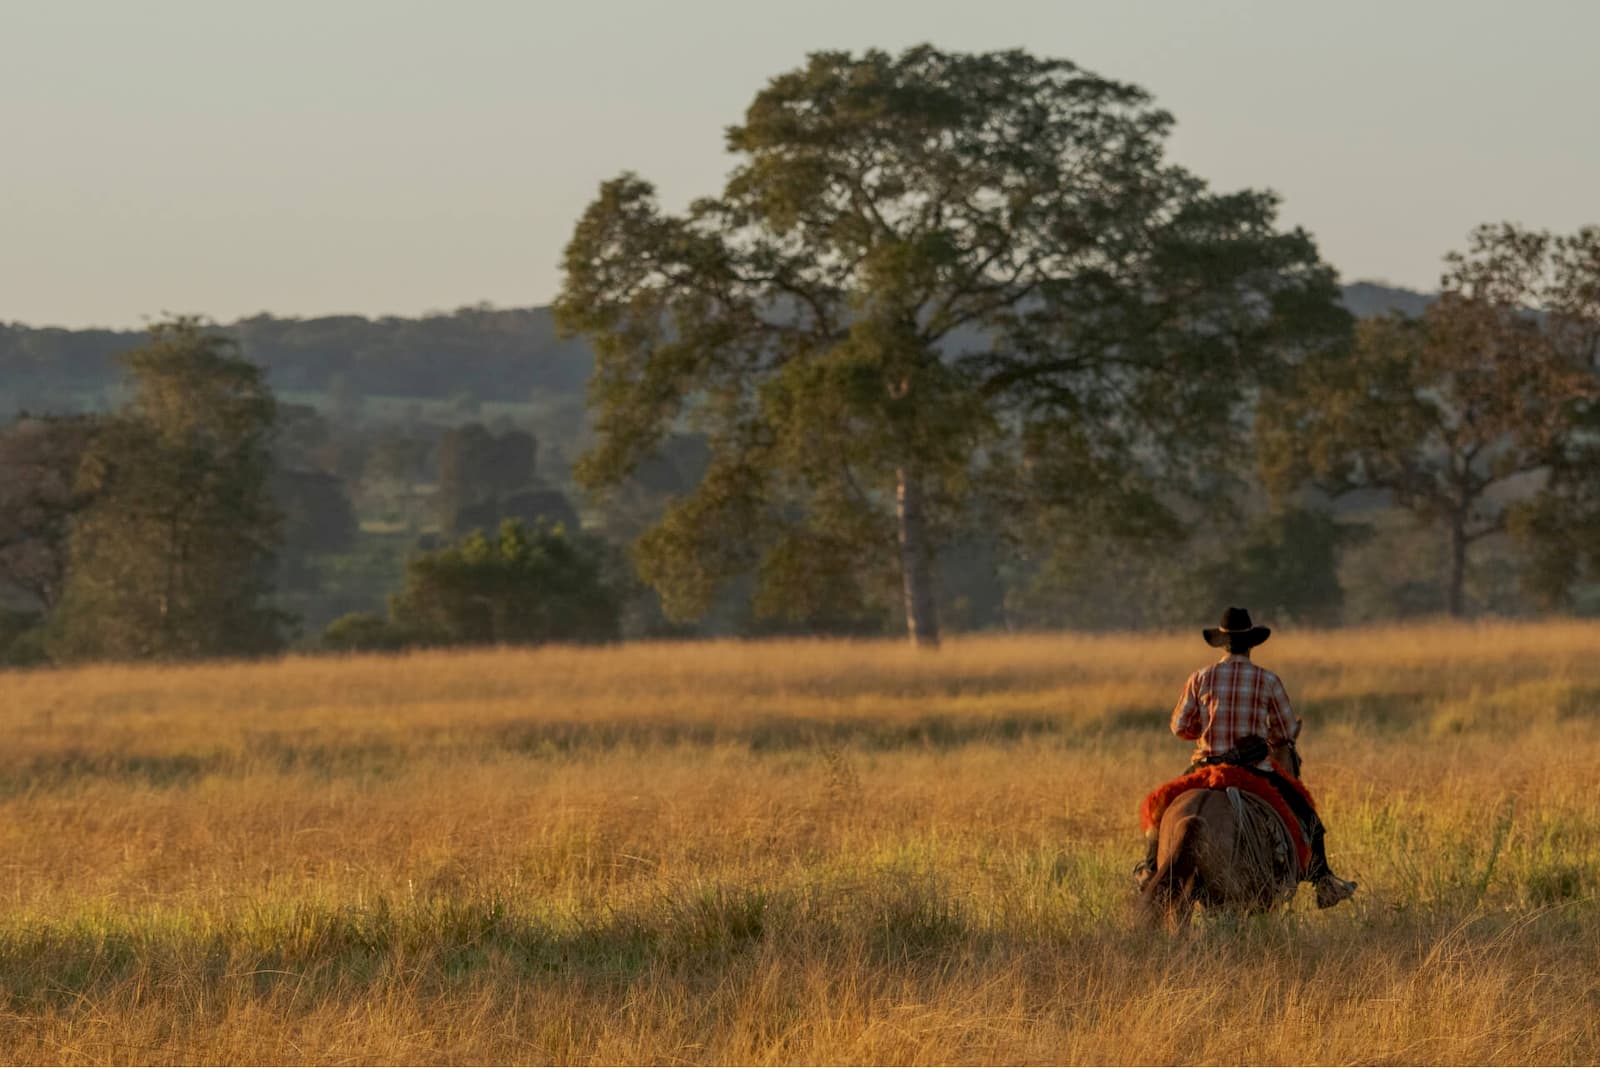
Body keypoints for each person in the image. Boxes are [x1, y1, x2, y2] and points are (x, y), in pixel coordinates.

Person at [1136, 606, 1357, 909]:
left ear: (1221, 643)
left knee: (1158, 806)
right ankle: (1324, 881)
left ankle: (1150, 869)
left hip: (1204, 769)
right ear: (1251, 643)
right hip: (1253, 771)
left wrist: (1206, 726)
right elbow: (1287, 731)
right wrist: (1271, 738)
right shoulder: (1267, 680)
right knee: (1306, 814)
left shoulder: (1200, 678)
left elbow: (1179, 727)